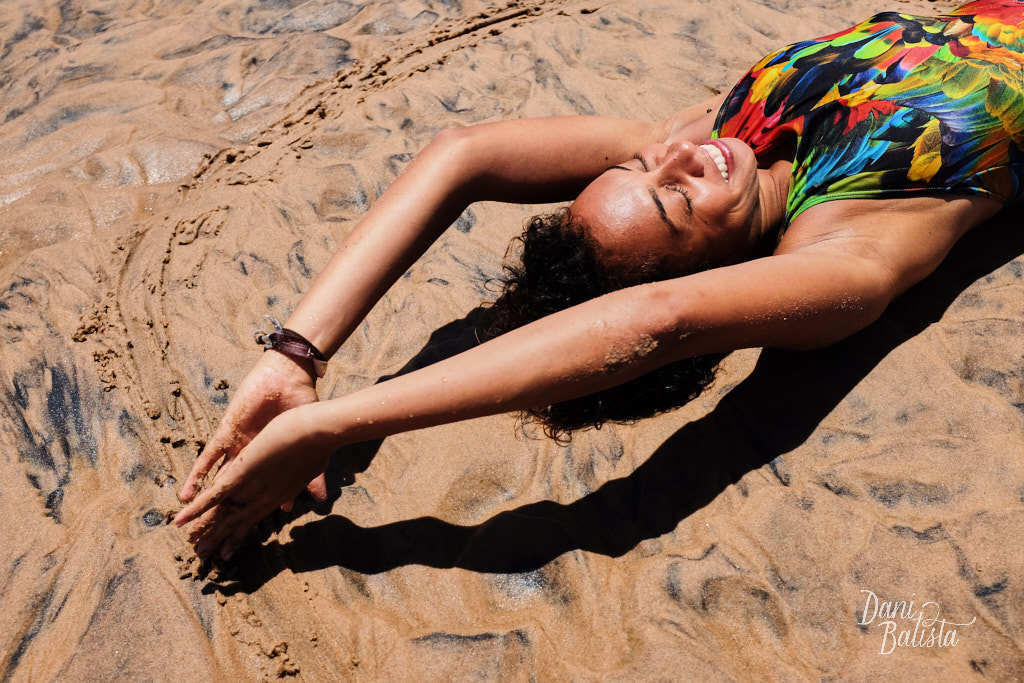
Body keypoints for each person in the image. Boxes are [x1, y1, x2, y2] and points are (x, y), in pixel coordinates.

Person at [175, 0, 1024, 560]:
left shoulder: (723, 139)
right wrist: (333, 426)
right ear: (717, 270)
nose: (686, 153)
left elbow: (462, 155)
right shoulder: (848, 250)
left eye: (648, 163)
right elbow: (655, 321)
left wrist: (296, 356)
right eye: (674, 199)